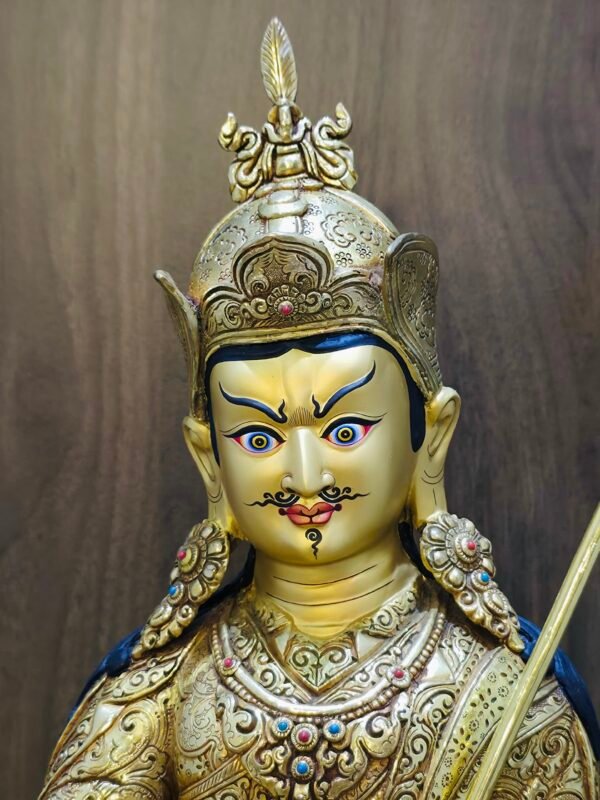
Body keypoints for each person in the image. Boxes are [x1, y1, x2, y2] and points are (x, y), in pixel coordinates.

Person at [39, 19, 598, 800]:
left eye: (344, 428)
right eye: (258, 436)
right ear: (209, 458)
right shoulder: (157, 696)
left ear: (430, 437)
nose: (304, 475)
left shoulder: (507, 696)